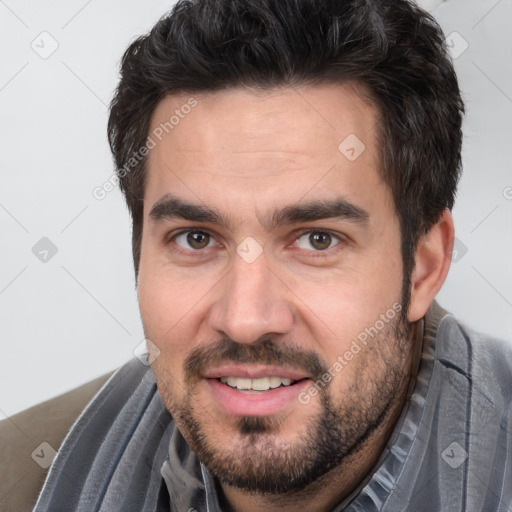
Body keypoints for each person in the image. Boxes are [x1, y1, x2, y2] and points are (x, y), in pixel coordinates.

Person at [1, 0, 511, 510]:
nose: (245, 320)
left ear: (424, 266)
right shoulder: (21, 480)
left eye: (317, 240)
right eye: (195, 238)